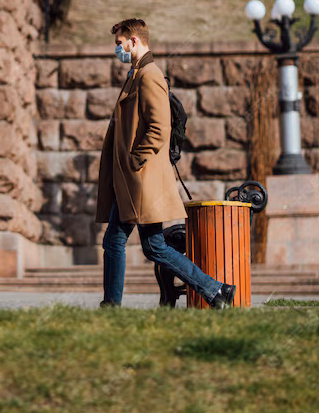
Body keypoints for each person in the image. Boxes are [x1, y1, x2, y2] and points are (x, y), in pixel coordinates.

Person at [96, 18, 236, 309]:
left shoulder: (150, 75)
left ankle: (111, 306)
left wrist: (136, 160)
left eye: (119, 42)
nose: (117, 49)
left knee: (115, 241)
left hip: (140, 180)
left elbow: (159, 127)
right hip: (135, 180)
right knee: (153, 246)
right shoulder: (138, 73)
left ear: (134, 41)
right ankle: (217, 291)